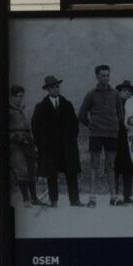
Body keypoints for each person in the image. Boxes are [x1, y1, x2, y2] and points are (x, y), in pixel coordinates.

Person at [32, 76, 85, 207]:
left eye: (57, 86)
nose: (55, 89)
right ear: (47, 90)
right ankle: (53, 200)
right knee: (51, 174)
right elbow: (35, 127)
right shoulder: (41, 107)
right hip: (49, 147)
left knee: (71, 172)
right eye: (52, 87)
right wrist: (40, 144)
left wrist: (72, 138)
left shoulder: (67, 104)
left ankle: (75, 200)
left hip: (67, 146)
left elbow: (74, 124)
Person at [78, 66, 122, 205]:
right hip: (96, 134)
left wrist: (114, 125)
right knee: (94, 165)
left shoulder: (115, 94)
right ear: (97, 76)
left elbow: (120, 114)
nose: (106, 78)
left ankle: (113, 197)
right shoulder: (91, 94)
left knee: (110, 165)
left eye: (108, 75)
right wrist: (91, 125)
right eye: (103, 75)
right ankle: (92, 197)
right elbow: (81, 114)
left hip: (112, 134)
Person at [5, 84, 39, 206]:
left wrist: (32, 139)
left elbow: (30, 126)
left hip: (28, 141)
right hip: (15, 144)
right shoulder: (8, 110)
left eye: (21, 96)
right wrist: (15, 138)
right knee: (21, 170)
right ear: (12, 97)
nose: (19, 99)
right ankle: (26, 199)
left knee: (31, 169)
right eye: (17, 96)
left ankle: (34, 197)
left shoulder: (25, 109)